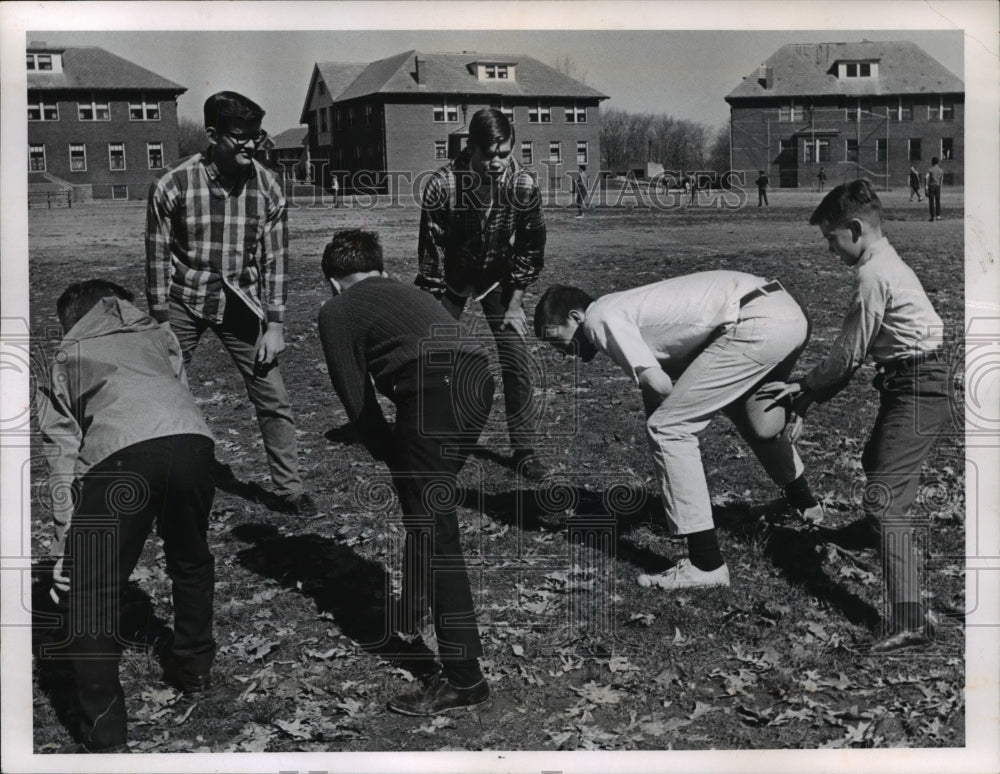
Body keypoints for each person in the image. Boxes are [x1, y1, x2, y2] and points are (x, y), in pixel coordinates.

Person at [533, 272, 825, 591]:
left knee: (669, 429)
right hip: (784, 312)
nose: (561, 352)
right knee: (751, 417)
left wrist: (668, 433)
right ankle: (806, 504)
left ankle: (706, 564)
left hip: (754, 324)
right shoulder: (624, 308)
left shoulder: (598, 318)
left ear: (575, 316)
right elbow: (657, 388)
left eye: (555, 339)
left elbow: (658, 385)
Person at [768, 180, 951, 652]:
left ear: (854, 229)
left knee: (885, 501)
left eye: (831, 239)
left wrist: (805, 388)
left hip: (920, 387)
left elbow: (848, 356)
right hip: (910, 382)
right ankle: (873, 534)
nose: (830, 250)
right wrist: (808, 396)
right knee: (878, 465)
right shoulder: (884, 263)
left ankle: (912, 621)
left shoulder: (874, 277)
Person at [319, 229, 494, 715]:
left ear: (335, 282)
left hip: (432, 390)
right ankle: (414, 609)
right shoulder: (410, 291)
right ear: (379, 268)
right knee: (424, 511)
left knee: (435, 528)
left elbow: (356, 398)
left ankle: (464, 678)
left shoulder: (337, 308)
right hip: (476, 382)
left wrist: (384, 449)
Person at [36, 280, 217, 752]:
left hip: (120, 459)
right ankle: (194, 667)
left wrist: (64, 548)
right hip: (194, 444)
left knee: (89, 593)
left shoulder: (67, 356)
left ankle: (107, 731)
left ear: (72, 319)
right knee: (190, 558)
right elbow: (175, 389)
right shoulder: (160, 335)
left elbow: (62, 455)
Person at [146, 91, 315, 515]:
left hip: (241, 301)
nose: (250, 146)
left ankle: (289, 488)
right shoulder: (173, 183)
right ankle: (162, 481)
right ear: (212, 135)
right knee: (162, 389)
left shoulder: (269, 185)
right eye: (239, 138)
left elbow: (275, 259)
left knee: (272, 394)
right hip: (185, 299)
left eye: (255, 137)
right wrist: (160, 319)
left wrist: (275, 324)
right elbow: (156, 257)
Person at [417, 107, 550, 480]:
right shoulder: (443, 185)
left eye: (504, 153)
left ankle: (524, 450)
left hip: (498, 273)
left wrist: (515, 303)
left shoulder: (523, 184)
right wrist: (432, 308)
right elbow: (432, 251)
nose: (496, 163)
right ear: (471, 148)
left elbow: (530, 246)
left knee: (516, 357)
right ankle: (426, 438)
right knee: (432, 355)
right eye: (488, 154)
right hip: (454, 276)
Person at [925, 157, 944, 221]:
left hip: (931, 186)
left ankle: (932, 216)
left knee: (931, 202)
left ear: (932, 162)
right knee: (938, 201)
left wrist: (926, 187)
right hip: (938, 186)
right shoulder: (941, 170)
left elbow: (926, 178)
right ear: (938, 162)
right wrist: (940, 188)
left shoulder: (930, 170)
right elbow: (941, 180)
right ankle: (938, 216)